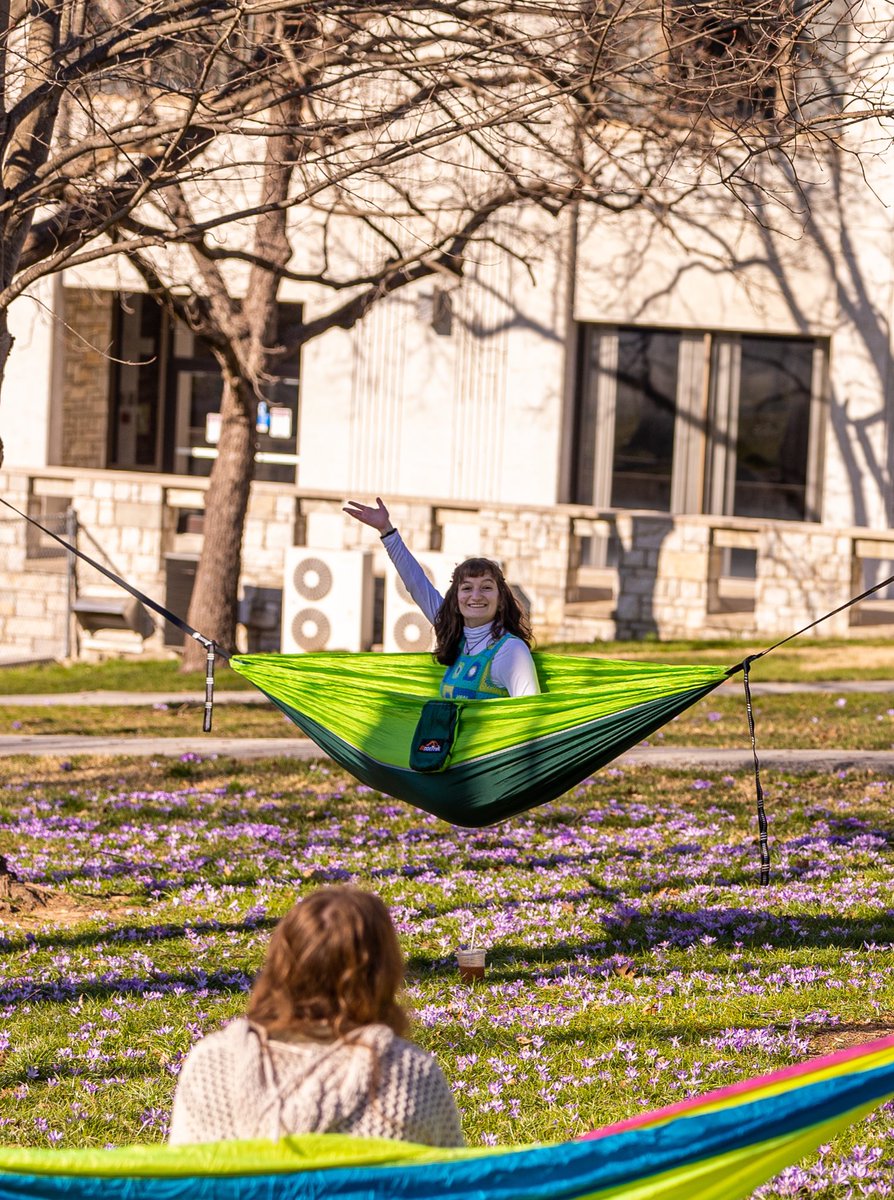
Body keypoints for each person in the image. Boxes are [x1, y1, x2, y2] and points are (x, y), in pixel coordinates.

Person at [168, 886, 464, 1146]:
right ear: (384, 972)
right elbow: (458, 1188)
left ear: (281, 964)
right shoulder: (410, 1076)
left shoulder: (211, 1066)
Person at [344, 497, 539, 698]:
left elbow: (528, 715)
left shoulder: (510, 651)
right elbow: (417, 584)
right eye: (466, 588)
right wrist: (387, 530)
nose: (476, 595)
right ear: (456, 599)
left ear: (501, 600)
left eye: (486, 587)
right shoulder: (458, 639)